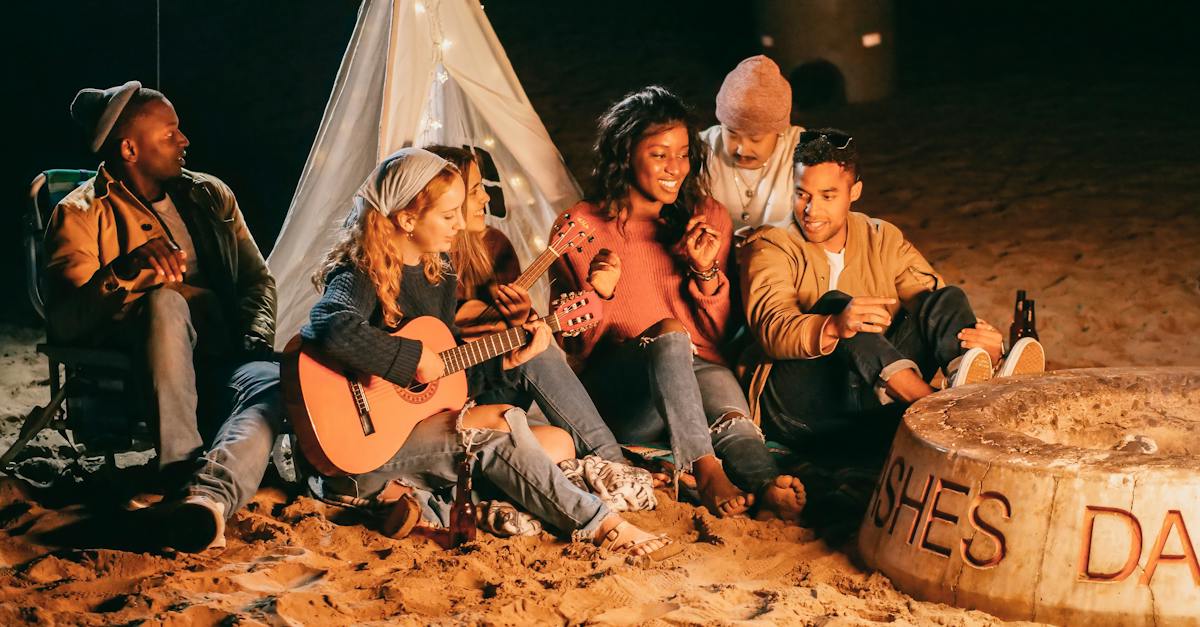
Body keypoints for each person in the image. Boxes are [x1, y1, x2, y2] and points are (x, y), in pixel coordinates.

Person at [301, 147, 679, 559]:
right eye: (448, 216)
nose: (461, 223)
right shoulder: (361, 271)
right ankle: (601, 524)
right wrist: (409, 359)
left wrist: (506, 363)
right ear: (407, 220)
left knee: (556, 444)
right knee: (492, 438)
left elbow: (443, 382)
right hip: (366, 441)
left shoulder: (437, 272)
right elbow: (328, 323)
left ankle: (407, 499)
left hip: (414, 427)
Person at [550, 86, 806, 522]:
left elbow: (714, 338)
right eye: (659, 155)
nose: (675, 169)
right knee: (669, 332)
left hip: (696, 369)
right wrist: (602, 293)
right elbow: (576, 350)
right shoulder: (581, 226)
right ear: (626, 153)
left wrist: (704, 274)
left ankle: (765, 486)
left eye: (684, 154)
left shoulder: (707, 217)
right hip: (625, 392)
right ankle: (705, 471)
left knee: (732, 419)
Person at [45, 81, 284, 551]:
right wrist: (127, 271)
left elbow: (258, 281)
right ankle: (181, 468)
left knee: (276, 383)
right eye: (170, 133)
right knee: (164, 300)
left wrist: (255, 338)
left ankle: (203, 494)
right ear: (130, 148)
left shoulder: (210, 197)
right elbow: (66, 323)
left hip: (227, 354)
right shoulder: (81, 214)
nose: (185, 142)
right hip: (147, 372)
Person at [738, 128, 1047, 448]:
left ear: (854, 192)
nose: (811, 210)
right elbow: (772, 329)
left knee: (946, 298)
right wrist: (835, 324)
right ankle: (942, 408)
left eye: (827, 196)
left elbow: (937, 309)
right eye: (802, 194)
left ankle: (963, 383)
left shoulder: (880, 237)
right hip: (798, 410)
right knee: (839, 306)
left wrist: (983, 344)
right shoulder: (771, 245)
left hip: (869, 395)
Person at [700, 55, 805, 232]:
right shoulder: (702, 147)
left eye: (755, 138)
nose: (742, 149)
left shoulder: (800, 150)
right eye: (731, 133)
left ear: (779, 130)